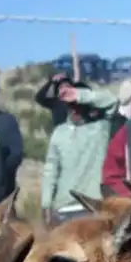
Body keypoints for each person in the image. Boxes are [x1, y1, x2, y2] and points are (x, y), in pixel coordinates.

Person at [40, 80, 119, 226]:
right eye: (71, 105)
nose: (75, 109)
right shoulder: (59, 132)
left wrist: (79, 95)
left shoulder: (100, 127)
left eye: (78, 105)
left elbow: (113, 101)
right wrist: (46, 205)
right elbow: (50, 172)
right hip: (63, 207)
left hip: (93, 205)